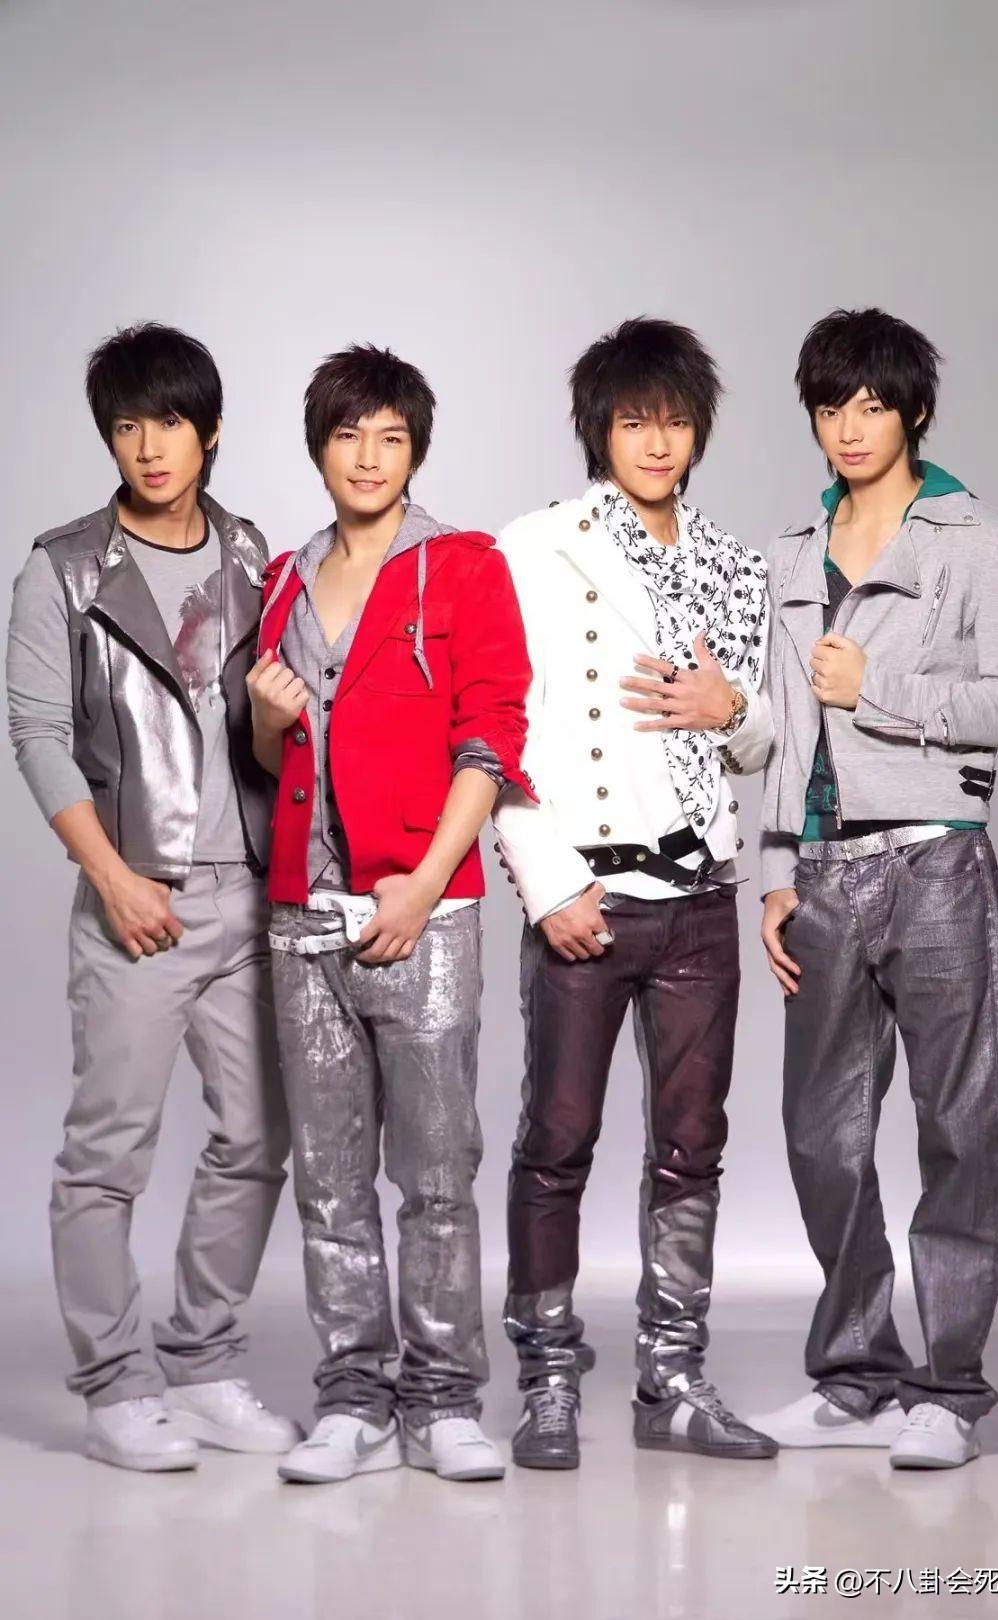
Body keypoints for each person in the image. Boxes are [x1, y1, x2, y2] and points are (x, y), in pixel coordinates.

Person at [750, 307, 998, 1469]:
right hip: (821, 871)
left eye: (872, 405)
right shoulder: (791, 552)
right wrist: (773, 873)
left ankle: (949, 1391)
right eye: (831, 406)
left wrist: (879, 691)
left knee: (958, 1129)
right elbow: (781, 730)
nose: (850, 427)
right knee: (820, 1137)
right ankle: (857, 1374)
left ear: (915, 410)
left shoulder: (975, 538)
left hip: (936, 863)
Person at [6, 323, 297, 1471]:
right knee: (108, 1153)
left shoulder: (251, 553)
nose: (148, 446)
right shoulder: (64, 567)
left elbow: (269, 726)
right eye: (126, 426)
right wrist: (113, 878)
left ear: (209, 430)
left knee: (260, 1136)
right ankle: (116, 1386)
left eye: (168, 422)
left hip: (251, 897)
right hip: (142, 899)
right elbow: (38, 736)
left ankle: (205, 1362)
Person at [492, 316, 777, 1469]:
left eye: (675, 421)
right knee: (557, 1140)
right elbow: (493, 728)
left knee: (693, 1145)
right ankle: (548, 1379)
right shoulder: (536, 549)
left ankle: (673, 1380)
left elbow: (763, 741)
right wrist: (545, 883)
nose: (657, 442)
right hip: (586, 897)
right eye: (633, 421)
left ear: (699, 430)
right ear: (597, 432)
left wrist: (732, 709)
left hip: (701, 894)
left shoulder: (733, 565)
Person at [253, 343, 533, 1485]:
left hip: (424, 907)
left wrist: (424, 884)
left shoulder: (463, 566)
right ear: (318, 448)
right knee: (327, 1180)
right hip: (300, 917)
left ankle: (445, 1399)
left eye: (391, 438)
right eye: (347, 436)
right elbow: (268, 757)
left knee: (435, 1174)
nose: (368, 458)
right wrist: (264, 718)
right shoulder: (283, 579)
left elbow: (493, 735)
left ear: (416, 450)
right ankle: (353, 1400)